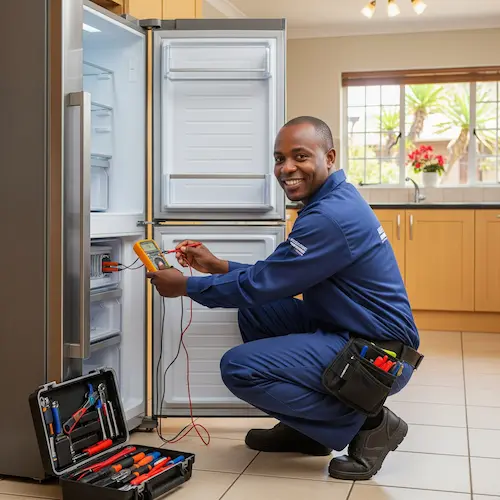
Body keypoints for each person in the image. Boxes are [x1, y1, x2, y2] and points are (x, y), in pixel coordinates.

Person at [147, 116, 422, 480]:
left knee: (239, 368)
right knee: (257, 311)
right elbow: (277, 276)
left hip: (377, 356)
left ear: (329, 157)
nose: (287, 168)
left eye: (300, 156)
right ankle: (308, 430)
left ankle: (370, 425)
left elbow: (262, 282)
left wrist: (186, 286)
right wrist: (218, 266)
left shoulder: (329, 217)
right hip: (348, 330)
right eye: (280, 158)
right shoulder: (333, 200)